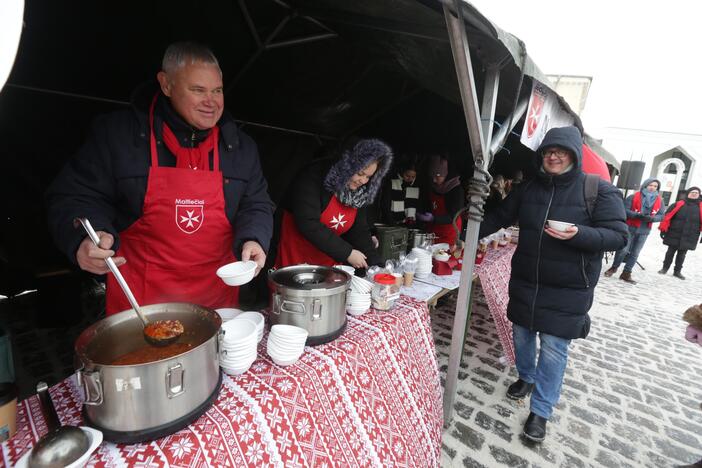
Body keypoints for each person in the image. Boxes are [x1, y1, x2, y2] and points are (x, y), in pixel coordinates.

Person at [46, 42, 274, 315]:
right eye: (198, 90)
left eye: (217, 90)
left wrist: (254, 238)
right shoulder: (118, 135)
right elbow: (76, 195)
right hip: (142, 303)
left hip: (216, 299)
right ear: (166, 85)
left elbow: (257, 203)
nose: (211, 102)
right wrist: (83, 239)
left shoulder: (240, 147)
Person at [479, 126, 627, 442]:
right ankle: (526, 377)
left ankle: (540, 412)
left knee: (554, 350)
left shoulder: (598, 190)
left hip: (569, 288)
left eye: (560, 151)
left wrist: (581, 234)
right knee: (521, 336)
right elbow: (500, 216)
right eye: (548, 151)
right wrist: (468, 228)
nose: (553, 156)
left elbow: (618, 236)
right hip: (526, 281)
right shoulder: (529, 189)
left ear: (574, 155)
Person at [275, 138, 392, 270]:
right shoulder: (313, 176)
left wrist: (376, 263)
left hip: (327, 254)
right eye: (360, 173)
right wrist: (347, 253)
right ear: (347, 165)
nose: (363, 181)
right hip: (294, 251)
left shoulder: (359, 193)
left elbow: (359, 229)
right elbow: (308, 222)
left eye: (369, 177)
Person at [604, 178, 665, 283]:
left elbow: (661, 215)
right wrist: (637, 215)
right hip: (630, 227)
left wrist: (652, 218)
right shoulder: (633, 196)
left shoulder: (660, 200)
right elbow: (624, 210)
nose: (652, 188)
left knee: (635, 252)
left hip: (644, 230)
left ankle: (626, 273)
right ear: (645, 185)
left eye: (655, 186)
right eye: (650, 185)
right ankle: (614, 267)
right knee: (623, 250)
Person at [416, 155, 464, 247]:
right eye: (432, 176)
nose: (434, 180)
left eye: (437, 176)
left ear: (446, 174)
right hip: (434, 230)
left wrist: (433, 218)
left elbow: (454, 216)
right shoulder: (433, 185)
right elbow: (429, 205)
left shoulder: (456, 190)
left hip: (450, 231)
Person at [658, 186, 702, 279]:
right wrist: (663, 229)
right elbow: (667, 217)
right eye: (692, 192)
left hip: (690, 234)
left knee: (682, 254)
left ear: (699, 195)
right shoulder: (678, 204)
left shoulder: (701, 207)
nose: (694, 194)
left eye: (696, 193)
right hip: (675, 232)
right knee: (670, 252)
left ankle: (677, 271)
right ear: (688, 193)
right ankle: (665, 268)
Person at [379, 156, 421, 225]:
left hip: (409, 223)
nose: (410, 179)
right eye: (407, 176)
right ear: (402, 172)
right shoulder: (392, 182)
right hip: (391, 221)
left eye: (413, 177)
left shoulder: (416, 186)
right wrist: (391, 222)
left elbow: (417, 205)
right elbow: (385, 203)